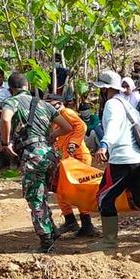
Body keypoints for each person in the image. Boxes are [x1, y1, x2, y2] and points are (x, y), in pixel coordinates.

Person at [0, 72, 74, 252]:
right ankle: (52, 229)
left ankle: (46, 241)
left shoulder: (12, 101)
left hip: (33, 155)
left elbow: (5, 118)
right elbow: (67, 127)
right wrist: (51, 136)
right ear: (27, 87)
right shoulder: (44, 104)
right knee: (43, 193)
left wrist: (5, 142)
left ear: (10, 89)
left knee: (35, 197)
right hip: (50, 155)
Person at [94, 70, 140, 252]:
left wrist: (104, 144)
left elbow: (112, 128)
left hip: (122, 160)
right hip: (138, 160)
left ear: (105, 89)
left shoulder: (112, 105)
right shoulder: (129, 106)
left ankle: (110, 241)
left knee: (104, 197)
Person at [46, 94, 96, 237]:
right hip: (67, 159)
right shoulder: (55, 118)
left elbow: (81, 125)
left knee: (79, 191)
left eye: (50, 102)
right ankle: (71, 220)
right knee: (61, 190)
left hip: (78, 156)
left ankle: (86, 224)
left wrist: (73, 142)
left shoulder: (66, 112)